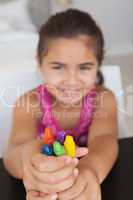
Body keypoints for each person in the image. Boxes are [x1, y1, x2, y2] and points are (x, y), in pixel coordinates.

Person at [3, 9, 119, 200]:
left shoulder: (102, 99)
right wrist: (27, 159)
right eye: (58, 67)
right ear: (39, 63)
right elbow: (14, 151)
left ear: (98, 65)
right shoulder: (29, 103)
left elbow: (105, 140)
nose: (71, 80)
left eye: (84, 67)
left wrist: (90, 170)